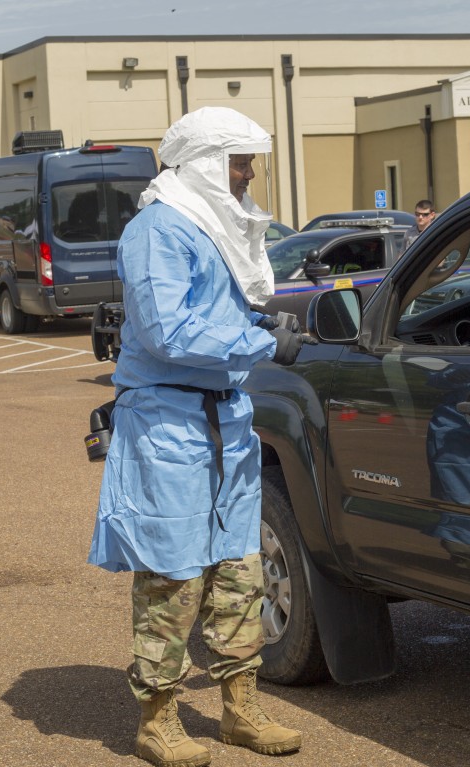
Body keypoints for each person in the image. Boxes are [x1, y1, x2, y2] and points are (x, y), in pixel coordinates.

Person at [88, 107, 308, 767]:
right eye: (239, 161)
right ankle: (157, 719)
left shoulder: (213, 226)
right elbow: (166, 331)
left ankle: (241, 711)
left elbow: (212, 312)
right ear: (206, 161)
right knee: (174, 574)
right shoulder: (158, 228)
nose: (247, 175)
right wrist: (259, 339)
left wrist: (257, 325)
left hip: (225, 417)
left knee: (239, 570)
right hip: (169, 423)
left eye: (249, 162)